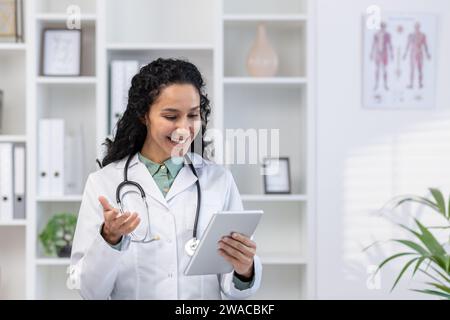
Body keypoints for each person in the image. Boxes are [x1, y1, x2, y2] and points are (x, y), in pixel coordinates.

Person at [69, 58, 262, 299]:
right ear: (144, 115)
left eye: (193, 115)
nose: (184, 128)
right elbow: (89, 291)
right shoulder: (104, 184)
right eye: (171, 116)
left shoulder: (219, 181)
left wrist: (245, 270)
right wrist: (110, 238)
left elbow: (236, 290)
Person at [403, 22, 431, 89]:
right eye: (416, 27)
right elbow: (408, 45)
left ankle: (420, 83)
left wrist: (427, 54)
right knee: (412, 69)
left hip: (420, 53)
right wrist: (405, 54)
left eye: (418, 27)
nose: (417, 28)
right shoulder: (411, 35)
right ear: (414, 27)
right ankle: (411, 84)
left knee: (420, 69)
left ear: (419, 27)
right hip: (413, 53)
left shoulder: (422, 35)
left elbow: (425, 45)